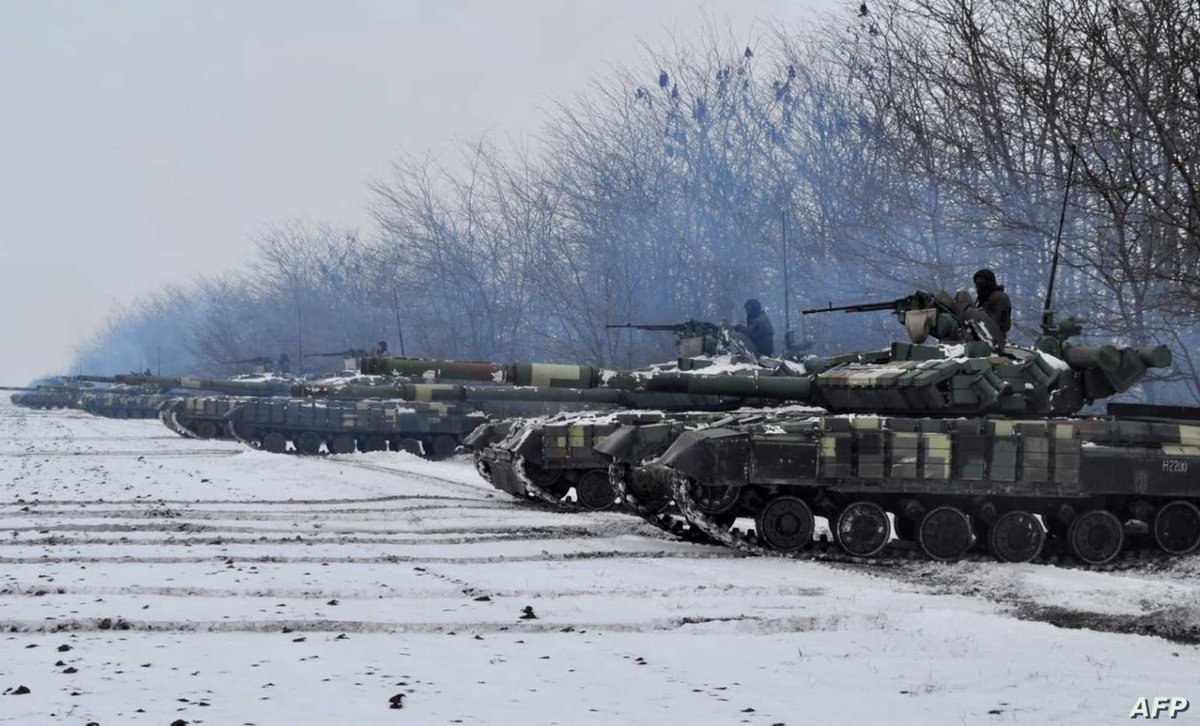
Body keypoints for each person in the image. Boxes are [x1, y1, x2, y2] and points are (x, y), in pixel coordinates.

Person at [973, 269, 1012, 346]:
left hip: (994, 339)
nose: (978, 284)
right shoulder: (986, 297)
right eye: (977, 281)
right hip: (986, 337)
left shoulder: (999, 297)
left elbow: (998, 323)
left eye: (981, 281)